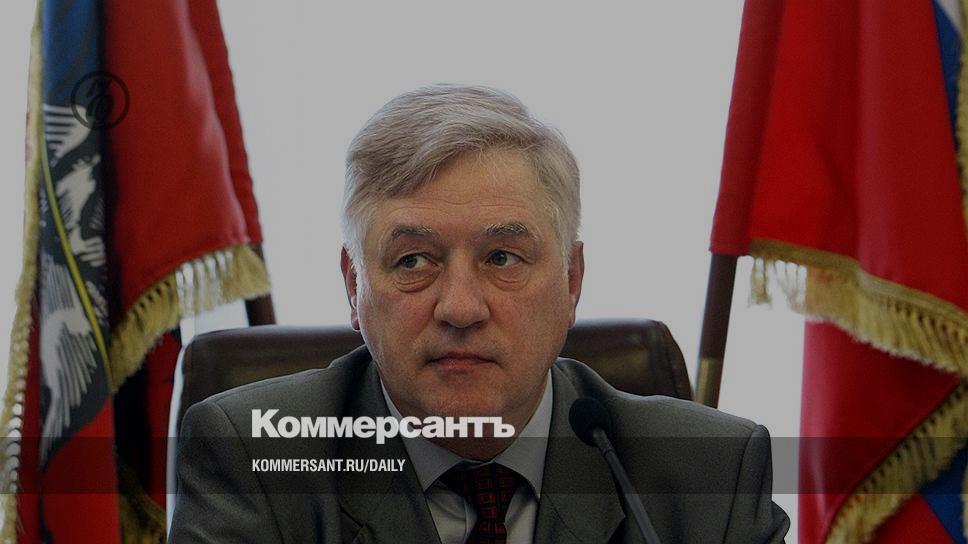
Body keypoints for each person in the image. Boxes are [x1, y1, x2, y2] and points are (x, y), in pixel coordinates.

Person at [169, 84, 789, 543]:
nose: (461, 308)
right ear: (354, 285)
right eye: (414, 261)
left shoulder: (712, 473)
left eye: (502, 257)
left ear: (572, 281)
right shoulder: (255, 462)